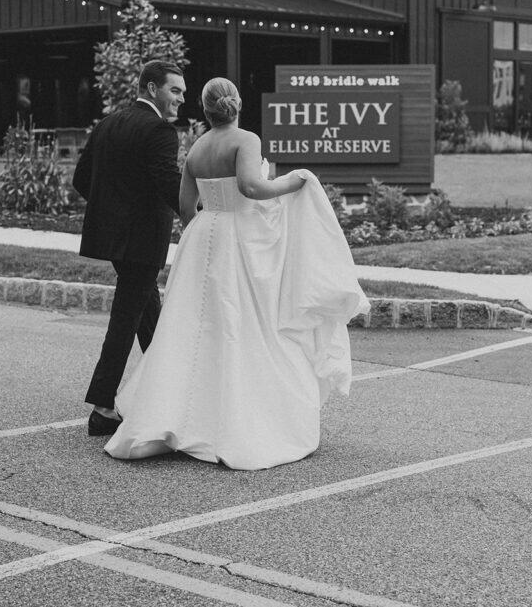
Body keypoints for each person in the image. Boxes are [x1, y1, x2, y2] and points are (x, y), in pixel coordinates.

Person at [104, 77, 369, 470]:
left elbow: (184, 205)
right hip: (238, 238)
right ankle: (234, 423)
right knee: (245, 324)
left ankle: (178, 413)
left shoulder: (196, 148)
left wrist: (211, 218)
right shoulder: (245, 140)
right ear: (238, 104)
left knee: (196, 326)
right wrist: (297, 180)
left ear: (206, 109)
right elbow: (251, 186)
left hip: (203, 236)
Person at [72, 60, 186, 437]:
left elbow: (81, 179)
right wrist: (202, 216)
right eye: (175, 90)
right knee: (125, 319)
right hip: (141, 240)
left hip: (115, 238)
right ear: (152, 88)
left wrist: (113, 211)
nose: (181, 99)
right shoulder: (159, 131)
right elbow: (171, 186)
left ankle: (166, 392)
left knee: (146, 313)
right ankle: (103, 407)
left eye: (183, 93)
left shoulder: (107, 123)